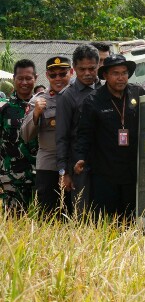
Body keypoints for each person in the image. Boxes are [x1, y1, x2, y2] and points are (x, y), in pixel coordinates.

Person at [73, 55, 145, 219]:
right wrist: (79, 158)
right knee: (106, 221)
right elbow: (84, 134)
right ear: (105, 76)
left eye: (124, 73)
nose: (121, 78)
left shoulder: (137, 93)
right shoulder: (93, 100)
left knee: (130, 219)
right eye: (115, 73)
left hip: (132, 171)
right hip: (104, 173)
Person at [20, 56, 72, 215]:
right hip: (49, 165)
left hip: (75, 164)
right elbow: (25, 136)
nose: (58, 79)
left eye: (62, 74)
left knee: (75, 214)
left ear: (71, 72)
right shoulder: (38, 100)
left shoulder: (80, 96)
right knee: (48, 215)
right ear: (47, 76)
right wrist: (36, 114)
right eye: (53, 75)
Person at [56, 44, 101, 212]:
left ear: (98, 66)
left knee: (105, 214)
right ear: (74, 69)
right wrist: (64, 172)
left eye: (92, 68)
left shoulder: (106, 90)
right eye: (82, 69)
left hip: (105, 164)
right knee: (81, 214)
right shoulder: (67, 96)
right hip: (79, 167)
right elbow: (62, 137)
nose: (88, 73)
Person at [0, 59, 38, 211]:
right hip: (12, 181)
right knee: (15, 227)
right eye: (20, 78)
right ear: (14, 79)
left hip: (39, 178)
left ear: (36, 78)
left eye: (28, 78)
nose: (24, 82)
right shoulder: (5, 110)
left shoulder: (44, 107)